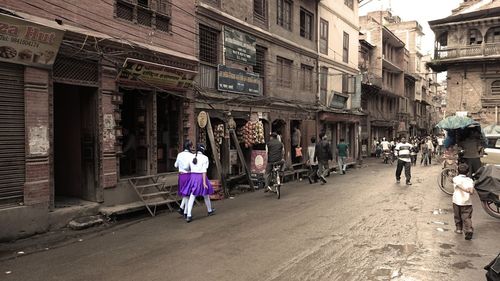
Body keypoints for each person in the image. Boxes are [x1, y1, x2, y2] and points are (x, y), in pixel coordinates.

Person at [185, 144, 215, 223]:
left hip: (192, 176)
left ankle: (188, 215)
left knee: (192, 195)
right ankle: (209, 210)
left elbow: (187, 167)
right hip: (201, 177)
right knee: (206, 194)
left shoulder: (191, 157)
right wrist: (204, 182)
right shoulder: (205, 158)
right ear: (203, 150)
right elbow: (204, 171)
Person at [452, 163, 474, 240]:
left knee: (457, 216)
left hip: (456, 201)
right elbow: (471, 191)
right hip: (467, 202)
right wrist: (468, 190)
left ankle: (459, 229)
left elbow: (458, 185)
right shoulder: (470, 180)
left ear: (458, 171)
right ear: (468, 172)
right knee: (466, 217)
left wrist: (465, 189)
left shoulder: (455, 179)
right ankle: (469, 229)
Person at [174, 140, 194, 218]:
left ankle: (182, 209)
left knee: (185, 193)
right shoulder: (191, 155)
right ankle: (185, 212)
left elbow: (175, 165)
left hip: (181, 176)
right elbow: (191, 167)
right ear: (189, 147)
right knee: (187, 194)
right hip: (189, 175)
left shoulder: (179, 154)